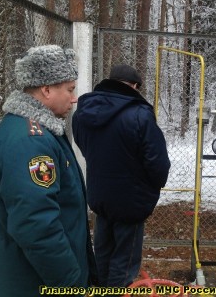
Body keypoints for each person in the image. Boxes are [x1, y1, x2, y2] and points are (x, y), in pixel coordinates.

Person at [0, 45, 97, 296]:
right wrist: (70, 284)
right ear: (46, 89)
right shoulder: (30, 141)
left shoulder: (37, 131)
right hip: (32, 284)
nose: (74, 97)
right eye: (69, 89)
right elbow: (36, 225)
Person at [72, 64, 171, 289]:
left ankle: (100, 289)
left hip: (100, 195)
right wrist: (152, 185)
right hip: (131, 199)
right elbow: (157, 162)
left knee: (103, 251)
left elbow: (83, 144)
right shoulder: (139, 114)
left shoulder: (84, 111)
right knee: (125, 261)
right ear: (134, 86)